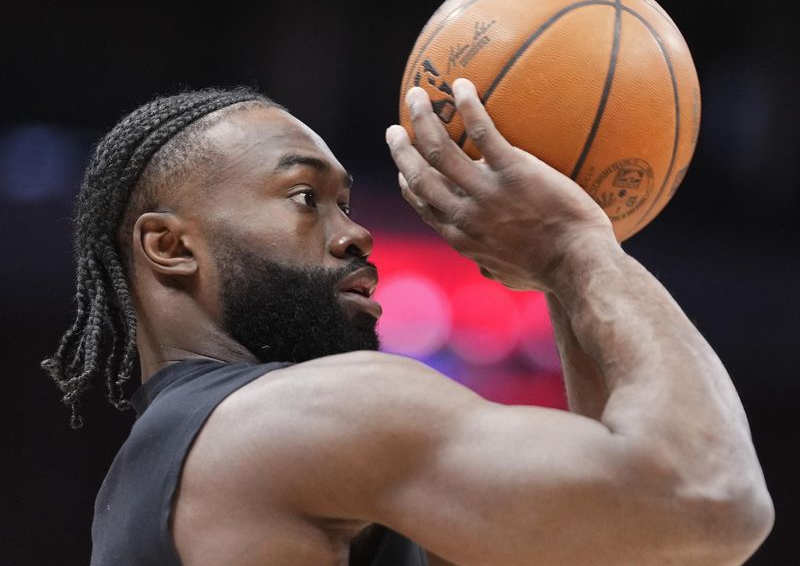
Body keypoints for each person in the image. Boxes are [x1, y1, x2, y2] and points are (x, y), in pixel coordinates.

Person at [43, 79, 773, 565]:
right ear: (170, 247)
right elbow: (710, 501)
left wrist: (559, 278)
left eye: (349, 205)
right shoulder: (296, 419)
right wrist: (574, 247)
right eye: (305, 197)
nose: (356, 235)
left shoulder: (160, 475)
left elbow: (627, 547)